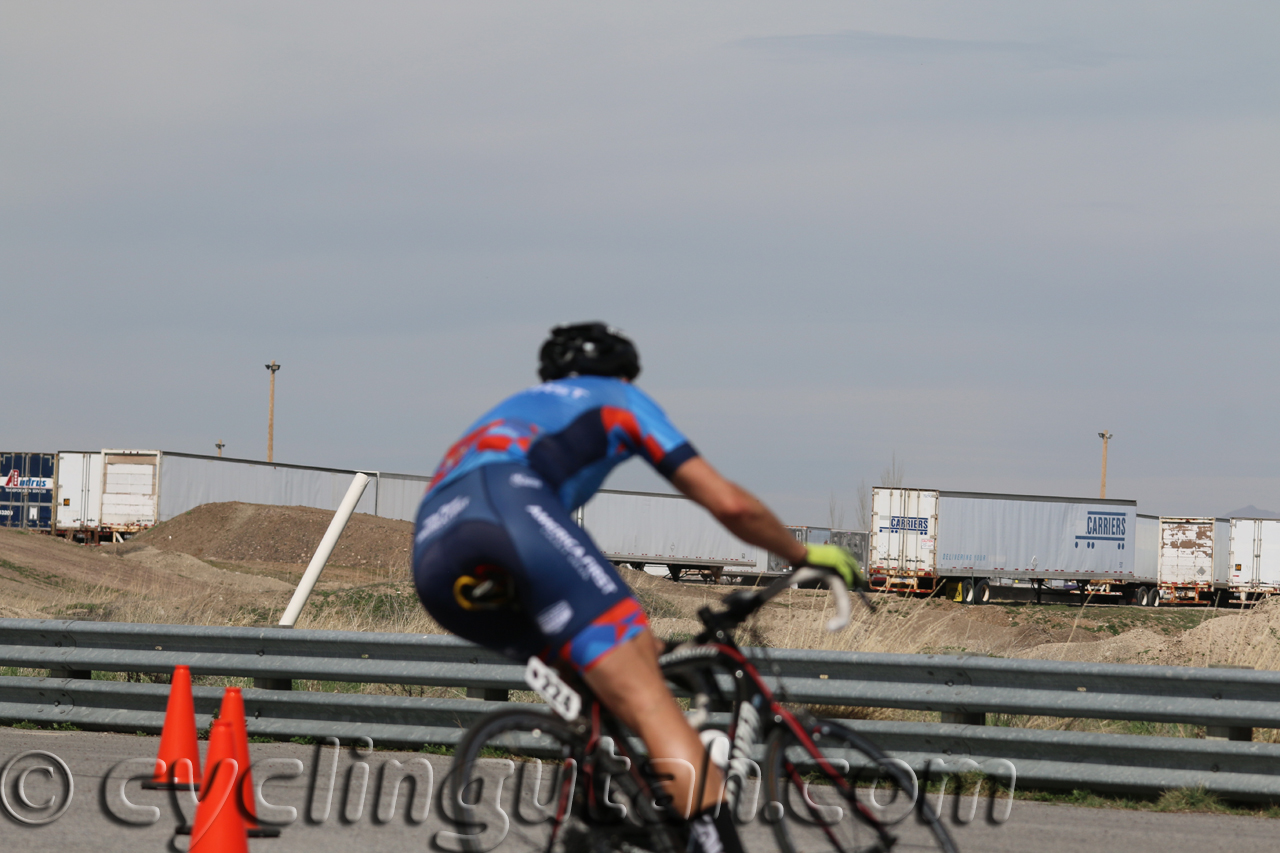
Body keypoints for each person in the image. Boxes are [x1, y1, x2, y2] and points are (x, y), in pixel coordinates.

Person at [411, 321, 863, 853]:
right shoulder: (620, 398)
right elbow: (729, 504)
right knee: (650, 702)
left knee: (595, 669)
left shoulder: (515, 406)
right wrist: (804, 555)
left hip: (436, 556)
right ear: (624, 373)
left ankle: (594, 813)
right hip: (512, 513)